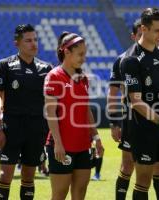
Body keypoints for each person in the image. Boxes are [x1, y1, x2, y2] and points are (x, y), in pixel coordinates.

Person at [120, 8, 159, 200]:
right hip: (143, 128)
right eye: (157, 30)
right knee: (144, 180)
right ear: (143, 29)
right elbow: (136, 102)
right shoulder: (130, 60)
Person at [108, 19, 159, 200]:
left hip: (156, 115)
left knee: (158, 165)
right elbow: (113, 93)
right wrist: (114, 122)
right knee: (127, 164)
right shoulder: (123, 60)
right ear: (134, 36)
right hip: (132, 119)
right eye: (140, 35)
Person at [0, 24, 52, 200]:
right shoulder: (5, 65)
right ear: (17, 43)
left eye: (35, 39)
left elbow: (51, 105)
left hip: (36, 130)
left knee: (28, 178)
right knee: (5, 176)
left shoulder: (46, 68)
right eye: (28, 40)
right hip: (11, 129)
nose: (33, 44)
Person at [44, 32, 104, 200]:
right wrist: (58, 144)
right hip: (62, 146)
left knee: (80, 194)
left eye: (85, 53)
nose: (84, 58)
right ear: (66, 52)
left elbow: (85, 110)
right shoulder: (54, 76)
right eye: (80, 54)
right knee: (60, 194)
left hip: (83, 146)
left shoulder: (83, 78)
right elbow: (50, 114)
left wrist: (96, 137)